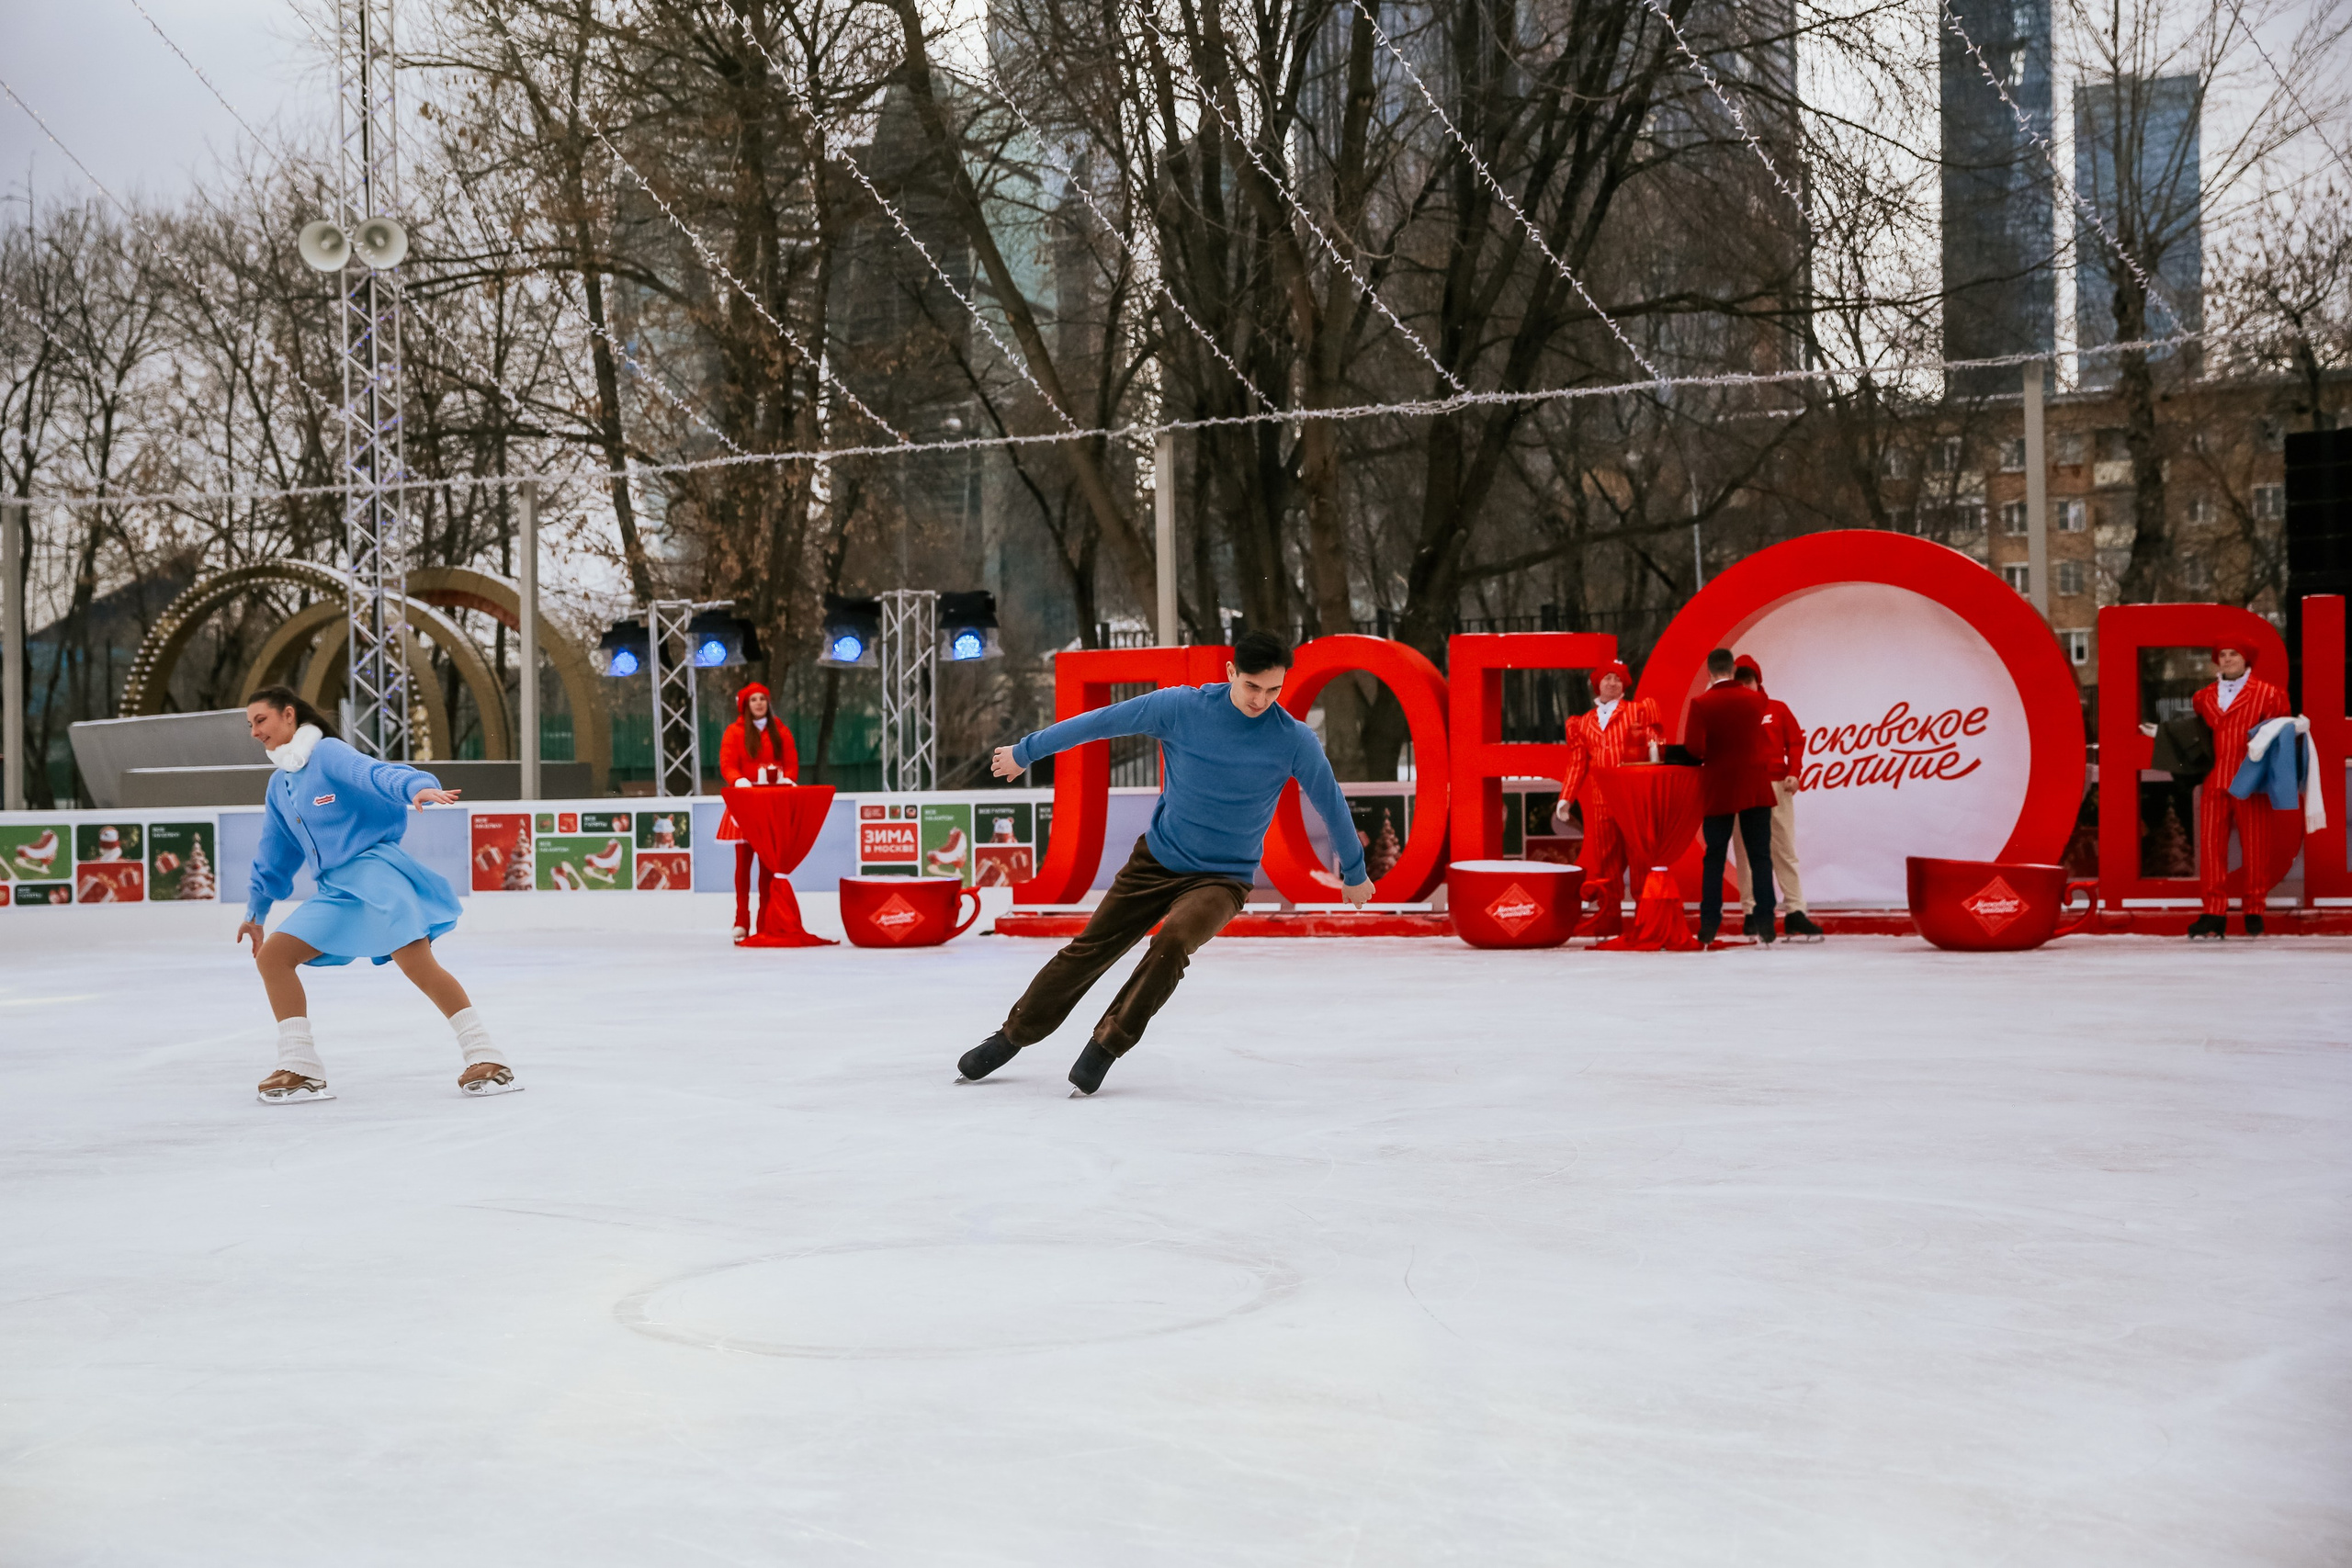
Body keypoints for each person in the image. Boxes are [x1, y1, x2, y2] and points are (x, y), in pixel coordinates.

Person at [956, 631, 1374, 1096]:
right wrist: (1025, 751)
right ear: (1231, 673)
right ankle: (1012, 1036)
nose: (1262, 700)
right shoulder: (1180, 708)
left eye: (1274, 690)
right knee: (1090, 949)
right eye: (1253, 686)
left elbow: (1331, 802)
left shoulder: (1293, 740)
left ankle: (1106, 1044)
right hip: (1156, 861)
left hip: (1223, 878)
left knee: (1173, 941)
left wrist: (1354, 873)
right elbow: (1101, 721)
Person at [238, 685, 517, 1103]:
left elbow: (372, 773)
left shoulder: (328, 753)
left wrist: (416, 787)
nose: (255, 731)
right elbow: (273, 854)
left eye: (261, 720)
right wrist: (256, 913)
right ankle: (300, 1066)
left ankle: (486, 1056)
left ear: (289, 715)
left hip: (377, 875)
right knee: (274, 957)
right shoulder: (280, 786)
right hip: (335, 889)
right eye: (250, 725)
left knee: (418, 965)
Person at [2141, 644, 2291, 938]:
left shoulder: (2268, 694)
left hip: (2252, 781)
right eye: (2222, 655)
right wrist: (2164, 733)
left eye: (2233, 654)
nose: (2227, 659)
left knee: (2256, 847)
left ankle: (2254, 909)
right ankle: (2213, 912)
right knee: (2211, 848)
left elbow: (2279, 733)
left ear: (2246, 658)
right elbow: (2197, 735)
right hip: (2216, 779)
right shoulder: (2204, 697)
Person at [1551, 660, 1659, 938]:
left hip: (1632, 799)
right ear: (1596, 683)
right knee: (1607, 863)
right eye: (1607, 678)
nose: (1612, 683)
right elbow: (1578, 762)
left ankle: (1644, 921)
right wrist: (1566, 798)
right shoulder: (1583, 722)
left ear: (1625, 685)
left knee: (1639, 860)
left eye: (1618, 679)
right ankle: (1608, 920)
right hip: (1601, 802)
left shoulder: (1638, 711)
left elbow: (1655, 747)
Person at [1682, 648, 1778, 947]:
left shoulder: (1701, 704)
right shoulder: (1756, 700)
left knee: (1714, 858)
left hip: (1719, 787)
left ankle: (1709, 923)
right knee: (1760, 856)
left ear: (1709, 672)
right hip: (1755, 785)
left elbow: (1694, 749)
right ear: (1734, 670)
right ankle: (1766, 922)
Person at [1730, 656, 1825, 942]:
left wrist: (1794, 772)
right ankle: (1751, 912)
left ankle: (1795, 910)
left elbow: (1795, 741)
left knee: (1782, 847)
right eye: (1740, 680)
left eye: (1749, 679)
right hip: (1742, 785)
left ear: (1758, 681)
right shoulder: (1729, 712)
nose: (1745, 685)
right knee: (1745, 851)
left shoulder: (1777, 709)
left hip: (1774, 784)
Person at [716, 682, 799, 941]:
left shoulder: (781, 731)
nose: (759, 703)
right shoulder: (734, 732)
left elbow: (791, 762)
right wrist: (737, 780)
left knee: (768, 866)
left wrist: (788, 779)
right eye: (754, 700)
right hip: (745, 803)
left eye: (763, 698)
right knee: (743, 865)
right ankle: (742, 919)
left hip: (772, 804)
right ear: (746, 705)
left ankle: (765, 919)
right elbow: (727, 762)